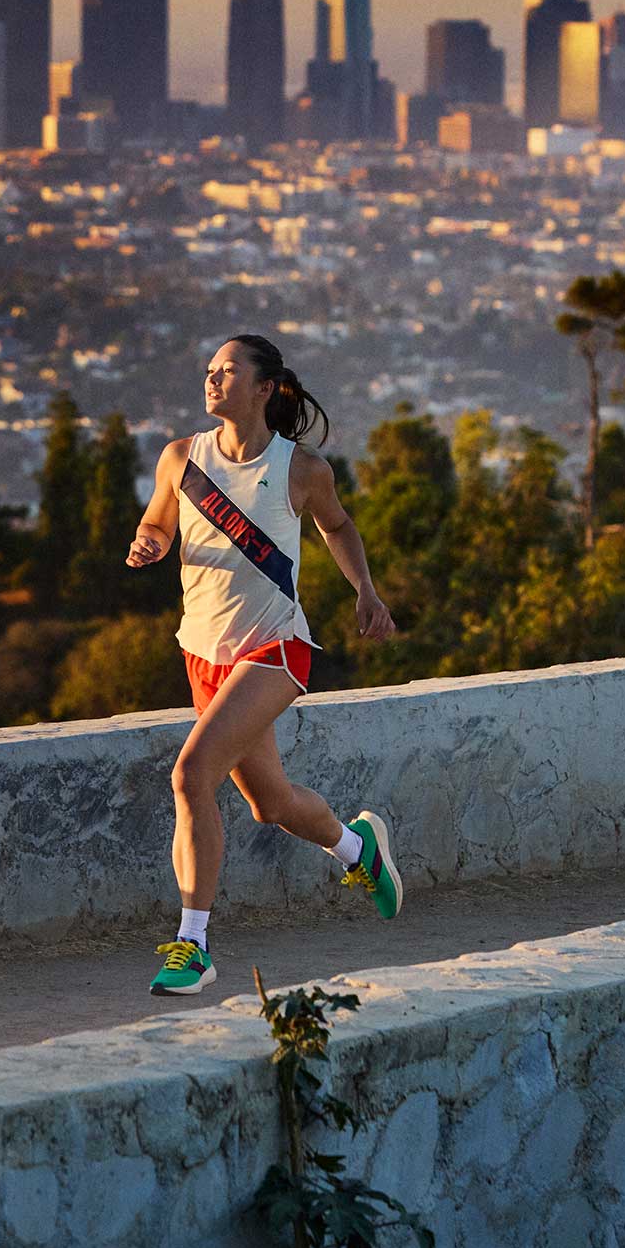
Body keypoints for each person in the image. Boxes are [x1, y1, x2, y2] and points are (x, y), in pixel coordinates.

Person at [126, 333, 402, 997]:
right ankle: (359, 849)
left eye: (228, 369)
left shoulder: (300, 469)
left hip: (276, 648)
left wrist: (364, 587)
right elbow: (159, 521)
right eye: (209, 369)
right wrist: (150, 541)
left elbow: (337, 525)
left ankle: (192, 944)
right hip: (203, 651)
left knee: (191, 774)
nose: (213, 378)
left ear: (264, 387)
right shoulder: (180, 457)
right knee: (269, 803)